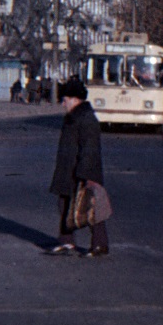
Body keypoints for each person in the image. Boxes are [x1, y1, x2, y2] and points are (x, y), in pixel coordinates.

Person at [46, 77, 109, 258]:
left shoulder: (87, 119)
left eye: (65, 99)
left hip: (80, 172)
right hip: (68, 170)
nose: (63, 102)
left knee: (90, 207)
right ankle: (66, 241)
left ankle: (100, 244)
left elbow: (90, 149)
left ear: (75, 99)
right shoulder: (73, 117)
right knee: (64, 203)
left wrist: (86, 175)